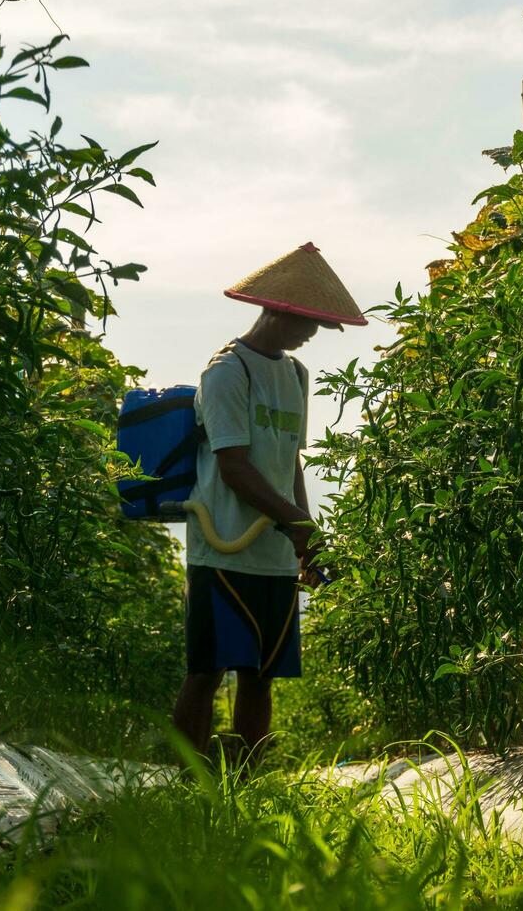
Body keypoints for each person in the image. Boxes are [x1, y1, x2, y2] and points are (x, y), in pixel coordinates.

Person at [170, 242, 367, 763]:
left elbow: (289, 462)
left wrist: (303, 535)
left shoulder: (296, 376)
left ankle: (249, 785)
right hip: (223, 546)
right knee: (206, 671)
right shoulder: (227, 372)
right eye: (306, 321)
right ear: (276, 309)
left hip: (275, 552)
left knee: (262, 673)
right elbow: (233, 466)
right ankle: (189, 783)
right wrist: (298, 525)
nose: (310, 334)